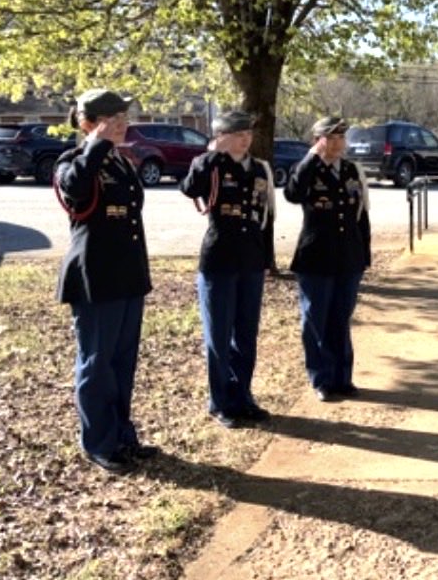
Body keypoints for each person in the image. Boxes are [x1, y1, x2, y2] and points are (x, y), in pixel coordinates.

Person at [55, 89, 158, 475]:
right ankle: (99, 443)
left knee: (122, 363)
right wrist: (95, 145)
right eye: (111, 118)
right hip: (96, 279)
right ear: (88, 123)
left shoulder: (120, 162)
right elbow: (75, 189)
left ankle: (121, 436)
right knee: (97, 365)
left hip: (127, 277)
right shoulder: (75, 161)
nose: (121, 123)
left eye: (123, 116)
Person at [179, 111, 275, 428]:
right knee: (218, 336)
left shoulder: (260, 168)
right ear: (221, 137)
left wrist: (266, 260)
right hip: (219, 260)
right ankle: (220, 403)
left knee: (245, 334)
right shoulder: (211, 165)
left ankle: (242, 396)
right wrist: (211, 154)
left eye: (247, 133)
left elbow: (266, 217)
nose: (245, 138)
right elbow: (190, 188)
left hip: (251, 260)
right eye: (237, 134)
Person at [284, 116, 371, 402]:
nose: (337, 144)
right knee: (315, 321)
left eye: (340, 138)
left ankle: (342, 378)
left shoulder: (351, 170)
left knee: (340, 319)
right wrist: (312, 157)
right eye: (330, 138)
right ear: (317, 140)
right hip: (316, 258)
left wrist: (363, 256)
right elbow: (293, 193)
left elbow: (362, 217)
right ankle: (321, 379)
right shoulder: (307, 169)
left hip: (348, 258)